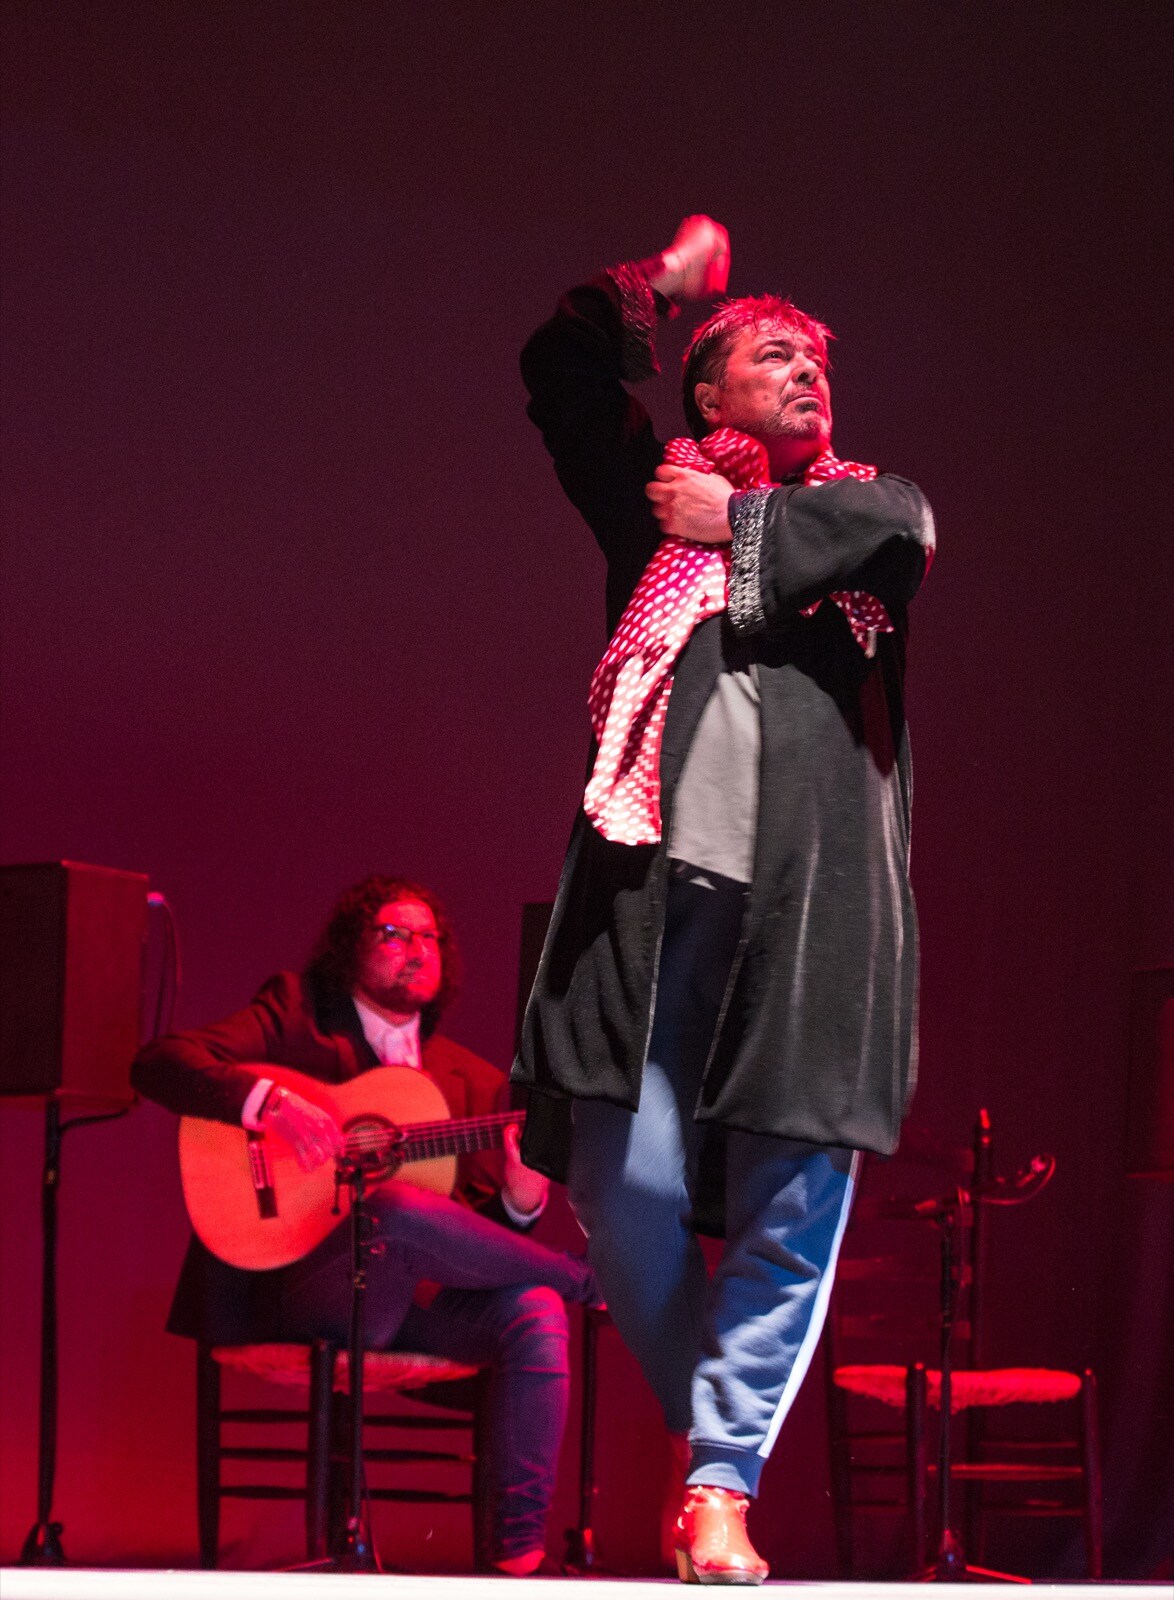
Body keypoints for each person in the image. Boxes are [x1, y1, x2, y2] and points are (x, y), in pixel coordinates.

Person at [513, 216, 935, 1583]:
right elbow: (559, 372)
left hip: (809, 910)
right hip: (649, 895)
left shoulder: (862, 511)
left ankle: (714, 1483)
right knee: (614, 1180)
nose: (807, 369)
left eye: (817, 357)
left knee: (789, 1187)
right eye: (769, 353)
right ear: (705, 395)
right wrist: (653, 289)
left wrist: (741, 521)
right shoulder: (651, 512)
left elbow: (894, 527)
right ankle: (721, 1444)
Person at [132, 873, 598, 1576]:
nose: (415, 948)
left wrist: (521, 1202)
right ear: (353, 947)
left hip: (397, 1307)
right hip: (292, 1291)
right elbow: (159, 1063)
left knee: (532, 1307)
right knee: (398, 1210)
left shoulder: (469, 1080)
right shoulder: (296, 1014)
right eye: (393, 932)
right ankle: (585, 1279)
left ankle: (517, 1562)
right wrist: (269, 1105)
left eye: (428, 937)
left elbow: (470, 1246)